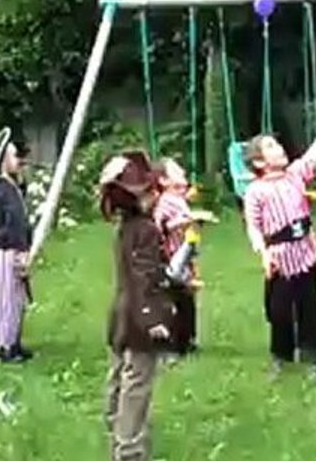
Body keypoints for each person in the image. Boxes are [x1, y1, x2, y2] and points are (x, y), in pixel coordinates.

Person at [243, 97, 316, 381]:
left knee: (309, 306)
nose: (280, 148)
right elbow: (253, 226)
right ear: (259, 162)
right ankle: (281, 355)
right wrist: (263, 252)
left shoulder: (295, 175)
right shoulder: (255, 191)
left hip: (305, 254)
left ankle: (312, 355)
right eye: (271, 147)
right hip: (278, 257)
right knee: (279, 311)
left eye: (277, 144)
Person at [102, 151, 178, 461]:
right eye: (150, 191)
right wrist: (151, 318)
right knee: (137, 383)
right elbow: (144, 277)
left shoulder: (127, 227)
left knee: (120, 374)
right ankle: (129, 449)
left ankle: (115, 430)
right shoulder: (145, 230)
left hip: (122, 312)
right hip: (139, 316)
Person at [0, 127, 34, 363]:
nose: (19, 160)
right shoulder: (0, 190)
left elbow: (21, 218)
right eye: (14, 156)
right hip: (6, 251)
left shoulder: (12, 186)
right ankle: (3, 348)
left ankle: (14, 342)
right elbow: (10, 224)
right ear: (1, 162)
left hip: (16, 249)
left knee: (18, 300)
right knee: (5, 301)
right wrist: (19, 250)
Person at [152, 157, 215, 358]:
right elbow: (161, 226)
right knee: (175, 301)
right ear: (163, 181)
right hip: (171, 259)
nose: (184, 175)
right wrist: (189, 220)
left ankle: (187, 340)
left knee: (187, 300)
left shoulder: (179, 200)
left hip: (184, 257)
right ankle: (171, 344)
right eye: (178, 173)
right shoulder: (164, 202)